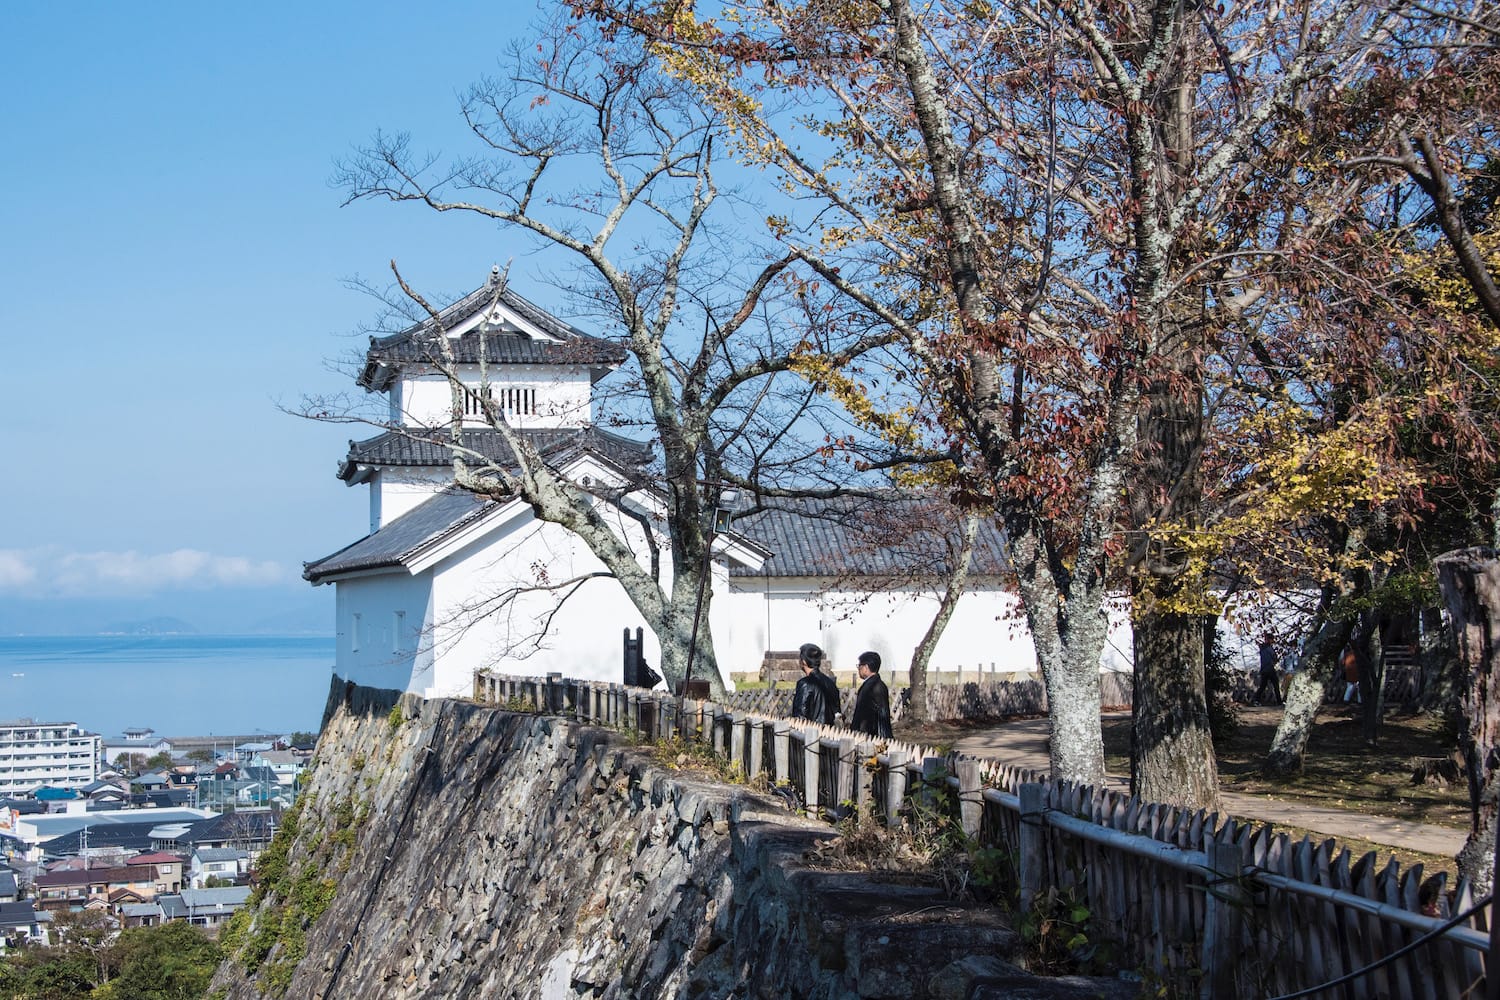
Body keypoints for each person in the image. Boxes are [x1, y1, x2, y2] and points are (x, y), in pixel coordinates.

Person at [792, 642, 837, 726]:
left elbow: (800, 715)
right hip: (830, 734)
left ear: (804, 661)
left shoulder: (805, 684)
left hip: (812, 733)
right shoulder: (830, 682)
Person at [850, 650, 893, 739]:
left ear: (865, 667)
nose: (858, 669)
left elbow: (869, 714)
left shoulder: (871, 687)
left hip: (870, 735)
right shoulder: (878, 684)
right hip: (874, 734)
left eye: (859, 666)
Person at [1255, 635, 1283, 706]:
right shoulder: (1269, 648)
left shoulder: (1262, 648)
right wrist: (1275, 660)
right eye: (1272, 640)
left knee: (1263, 686)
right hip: (1270, 669)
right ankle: (1279, 702)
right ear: (1270, 640)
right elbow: (1274, 657)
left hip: (1263, 669)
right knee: (1275, 685)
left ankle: (1256, 700)